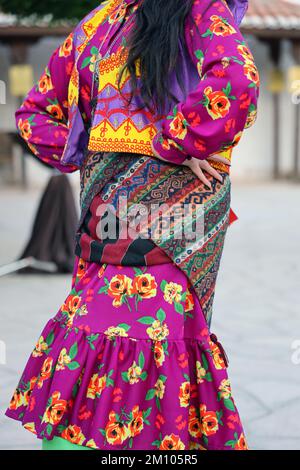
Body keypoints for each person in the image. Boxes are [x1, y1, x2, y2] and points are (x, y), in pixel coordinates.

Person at [5, 0, 259, 451]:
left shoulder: (108, 21)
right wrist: (165, 144)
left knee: (105, 363)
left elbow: (236, 82)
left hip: (151, 231)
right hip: (143, 226)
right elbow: (236, 81)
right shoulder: (162, 13)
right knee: (148, 370)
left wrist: (118, 151)